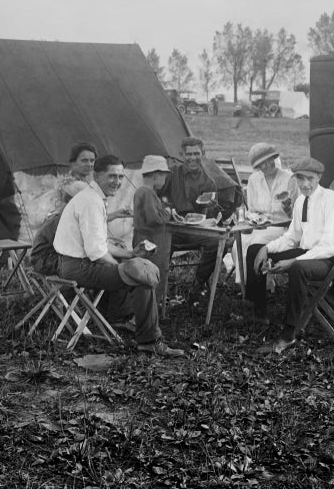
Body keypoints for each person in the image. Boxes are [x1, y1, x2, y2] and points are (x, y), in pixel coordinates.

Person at [54, 154, 185, 357]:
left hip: (77, 263)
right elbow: (97, 253)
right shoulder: (91, 202)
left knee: (136, 267)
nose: (117, 182)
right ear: (97, 176)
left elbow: (100, 243)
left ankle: (123, 319)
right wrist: (122, 266)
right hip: (78, 268)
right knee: (142, 277)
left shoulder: (95, 198)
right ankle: (149, 340)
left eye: (121, 177)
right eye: (112, 176)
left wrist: (130, 253)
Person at [245, 157, 334, 353]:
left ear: (319, 177)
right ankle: (258, 314)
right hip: (309, 251)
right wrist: (266, 248)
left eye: (309, 179)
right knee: (254, 250)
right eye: (300, 179)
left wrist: (293, 260)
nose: (304, 184)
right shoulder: (301, 200)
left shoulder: (332, 201)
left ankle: (288, 334)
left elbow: (328, 247)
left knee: (297, 268)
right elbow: (292, 237)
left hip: (332, 259)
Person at [163, 137, 233, 302]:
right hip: (173, 226)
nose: (193, 158)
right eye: (189, 154)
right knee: (160, 240)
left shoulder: (209, 180)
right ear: (182, 154)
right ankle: (159, 286)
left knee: (217, 244)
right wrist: (170, 209)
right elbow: (161, 196)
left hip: (195, 228)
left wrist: (212, 207)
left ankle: (199, 282)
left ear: (203, 154)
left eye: (196, 153)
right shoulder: (172, 173)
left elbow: (207, 214)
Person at [225, 142, 299, 282]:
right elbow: (252, 209)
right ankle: (248, 285)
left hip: (281, 228)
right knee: (237, 246)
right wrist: (254, 219)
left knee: (255, 245)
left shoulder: (290, 178)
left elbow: (298, 215)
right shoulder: (254, 179)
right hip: (258, 227)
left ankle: (254, 286)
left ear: (274, 158)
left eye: (269, 160)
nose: (267, 165)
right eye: (262, 163)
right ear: (257, 167)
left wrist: (288, 209)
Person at [133, 155, 174, 306]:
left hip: (145, 238)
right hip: (152, 241)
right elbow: (154, 219)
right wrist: (168, 212)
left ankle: (143, 310)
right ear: (156, 175)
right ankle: (148, 311)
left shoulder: (142, 191)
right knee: (153, 274)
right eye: (164, 177)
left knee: (144, 274)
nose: (164, 181)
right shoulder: (148, 192)